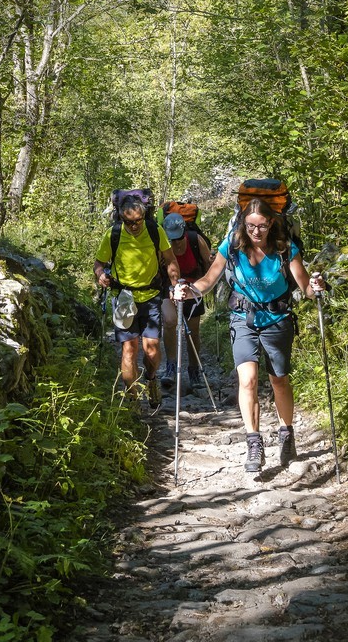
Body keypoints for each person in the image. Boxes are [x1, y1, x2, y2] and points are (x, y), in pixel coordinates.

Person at [174, 197, 325, 472]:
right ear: (243, 224)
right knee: (248, 380)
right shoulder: (231, 246)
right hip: (243, 318)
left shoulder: (284, 249)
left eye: (263, 226)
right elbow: (208, 281)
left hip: (277, 318)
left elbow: (305, 287)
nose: (256, 232)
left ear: (272, 224)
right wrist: (189, 290)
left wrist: (316, 286)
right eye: (251, 226)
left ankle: (286, 432)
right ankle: (254, 443)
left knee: (279, 380)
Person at [94, 197, 180, 413]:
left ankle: (151, 380)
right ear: (121, 218)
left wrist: (174, 283)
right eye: (129, 222)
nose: (134, 226)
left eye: (138, 221)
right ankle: (132, 401)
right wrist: (100, 275)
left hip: (151, 296)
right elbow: (99, 263)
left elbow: (170, 259)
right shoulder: (113, 234)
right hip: (123, 298)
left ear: (144, 217)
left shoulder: (154, 230)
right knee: (129, 349)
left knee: (151, 350)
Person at [160, 210, 210, 393]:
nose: (175, 242)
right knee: (170, 321)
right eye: (171, 239)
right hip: (169, 288)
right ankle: (171, 366)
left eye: (178, 238)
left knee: (193, 331)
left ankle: (194, 369)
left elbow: (208, 264)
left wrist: (204, 287)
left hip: (194, 288)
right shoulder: (161, 244)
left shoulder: (195, 240)